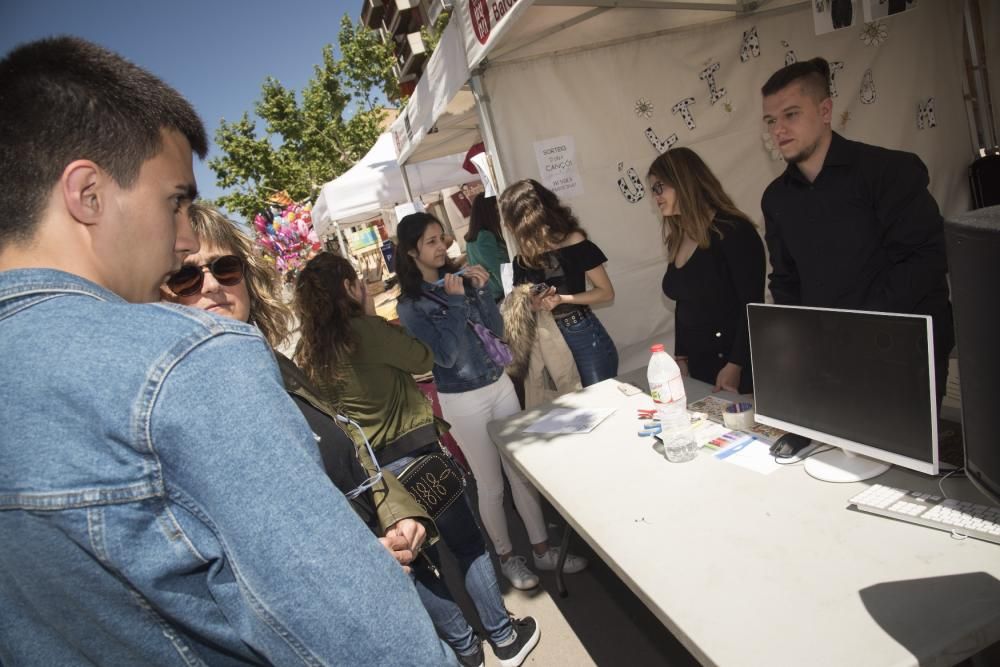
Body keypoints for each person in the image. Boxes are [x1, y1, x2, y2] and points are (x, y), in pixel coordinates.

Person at [0, 37, 454, 666]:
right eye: (176, 200)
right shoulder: (189, 363)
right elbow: (364, 635)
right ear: (88, 194)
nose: (184, 234)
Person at [294, 251, 541, 667]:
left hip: (371, 474)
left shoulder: (309, 351)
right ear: (348, 289)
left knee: (418, 564)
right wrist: (371, 314)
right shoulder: (366, 331)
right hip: (414, 456)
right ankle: (503, 637)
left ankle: (464, 647)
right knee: (467, 544)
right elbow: (423, 360)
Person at [163, 204, 435, 574]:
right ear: (158, 295)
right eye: (185, 277)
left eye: (225, 268)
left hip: (388, 563)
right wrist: (353, 560)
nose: (212, 285)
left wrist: (395, 511)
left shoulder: (277, 364)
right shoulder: (172, 411)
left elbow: (350, 443)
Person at [392, 212, 588, 590]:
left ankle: (542, 550)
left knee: (520, 471)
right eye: (430, 241)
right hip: (463, 399)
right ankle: (507, 557)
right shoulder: (411, 305)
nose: (440, 246)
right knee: (491, 483)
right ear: (411, 251)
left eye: (441, 237)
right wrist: (455, 302)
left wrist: (480, 292)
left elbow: (497, 332)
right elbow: (445, 356)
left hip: (498, 384)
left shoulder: (460, 281)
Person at [760, 57, 954, 405]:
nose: (778, 130)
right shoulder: (776, 198)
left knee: (902, 456)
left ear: (825, 111)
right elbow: (786, 279)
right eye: (771, 120)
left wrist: (858, 328)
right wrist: (799, 339)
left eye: (791, 114)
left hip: (903, 351)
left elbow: (927, 258)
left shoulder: (887, 171)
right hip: (829, 358)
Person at [647, 147, 766, 394]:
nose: (656, 196)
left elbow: (752, 306)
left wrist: (735, 365)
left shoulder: (734, 231)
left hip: (736, 365)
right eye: (653, 190)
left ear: (684, 182)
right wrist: (681, 358)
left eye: (660, 187)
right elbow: (684, 305)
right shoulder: (679, 237)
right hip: (701, 365)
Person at [499, 179, 619, 387]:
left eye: (509, 218)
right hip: (547, 342)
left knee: (599, 402)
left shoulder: (574, 241)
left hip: (582, 334)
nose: (507, 225)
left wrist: (562, 299)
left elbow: (606, 293)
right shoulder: (522, 258)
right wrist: (534, 304)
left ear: (524, 218)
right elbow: (523, 307)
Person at [465, 193, 511, 302]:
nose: (499, 213)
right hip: (500, 294)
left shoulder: (471, 239)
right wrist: (513, 291)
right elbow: (496, 268)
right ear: (488, 212)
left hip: (488, 294)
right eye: (496, 209)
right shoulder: (485, 236)